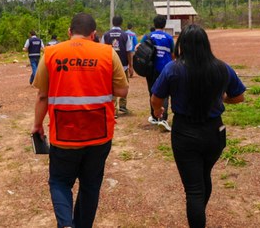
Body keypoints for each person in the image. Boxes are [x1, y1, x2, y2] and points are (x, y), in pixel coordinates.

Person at [31, 12, 129, 228]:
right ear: (94, 34)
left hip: (64, 134)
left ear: (69, 32)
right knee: (90, 186)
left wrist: (37, 125)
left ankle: (66, 224)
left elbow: (42, 96)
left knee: (59, 181)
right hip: (99, 133)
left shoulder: (51, 53)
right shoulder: (107, 53)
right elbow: (122, 89)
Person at [151, 24, 245, 228]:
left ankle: (197, 217)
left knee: (193, 189)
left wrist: (158, 112)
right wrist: (223, 100)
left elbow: (156, 97)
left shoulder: (173, 68)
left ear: (182, 45)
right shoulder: (221, 67)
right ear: (206, 44)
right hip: (214, 133)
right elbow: (239, 96)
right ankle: (199, 213)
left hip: (185, 133)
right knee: (204, 176)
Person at [143, 15, 175, 131]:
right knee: (164, 93)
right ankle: (163, 119)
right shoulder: (168, 38)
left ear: (154, 23)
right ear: (164, 25)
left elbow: (139, 49)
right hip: (164, 69)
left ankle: (154, 117)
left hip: (150, 69)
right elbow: (173, 54)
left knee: (152, 91)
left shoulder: (147, 36)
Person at [101, 16, 134, 116]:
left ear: (112, 22)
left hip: (108, 65)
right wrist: (131, 66)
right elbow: (129, 52)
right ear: (121, 23)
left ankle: (113, 109)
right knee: (124, 85)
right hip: (123, 66)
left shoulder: (105, 35)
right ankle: (123, 105)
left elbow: (102, 51)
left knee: (110, 86)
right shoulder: (125, 35)